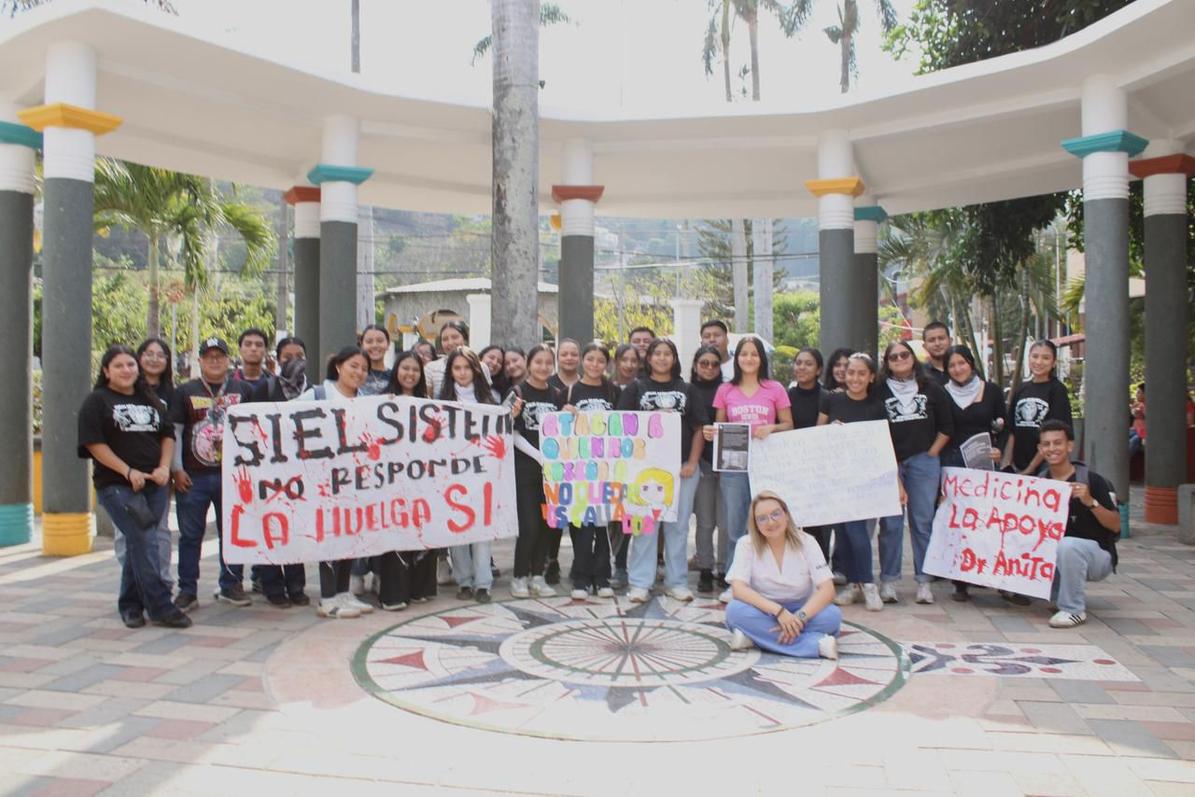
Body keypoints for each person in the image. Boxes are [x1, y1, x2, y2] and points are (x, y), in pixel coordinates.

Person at [79, 345, 191, 629]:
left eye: (130, 365)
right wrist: (127, 471)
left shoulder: (150, 399)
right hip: (117, 485)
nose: (126, 370)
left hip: (155, 484)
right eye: (118, 366)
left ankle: (130, 606)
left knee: (138, 541)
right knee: (144, 537)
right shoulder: (97, 401)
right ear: (106, 371)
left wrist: (164, 467)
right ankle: (161, 606)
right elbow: (94, 444)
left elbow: (168, 435)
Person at [703, 336, 794, 603]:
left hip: (767, 465)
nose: (749, 359)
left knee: (768, 523)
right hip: (734, 467)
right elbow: (719, 427)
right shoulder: (725, 390)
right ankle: (736, 583)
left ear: (761, 358)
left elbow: (788, 424)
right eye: (744, 354)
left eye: (754, 354)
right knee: (735, 527)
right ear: (736, 358)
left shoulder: (775, 388)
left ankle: (768, 582)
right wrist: (711, 433)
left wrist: (772, 427)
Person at [170, 337, 257, 612]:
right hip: (193, 477)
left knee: (232, 534)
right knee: (190, 536)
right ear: (200, 361)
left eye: (220, 356)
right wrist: (176, 469)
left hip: (233, 476)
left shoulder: (243, 390)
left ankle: (231, 584)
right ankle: (187, 590)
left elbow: (255, 430)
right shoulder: (185, 391)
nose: (215, 361)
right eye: (209, 356)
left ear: (228, 359)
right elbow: (176, 432)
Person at [619, 339, 706, 603]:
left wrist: (692, 463)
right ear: (649, 358)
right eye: (657, 353)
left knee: (677, 528)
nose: (662, 358)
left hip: (681, 470)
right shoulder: (636, 388)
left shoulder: (687, 389)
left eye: (667, 353)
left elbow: (699, 429)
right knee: (644, 526)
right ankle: (639, 583)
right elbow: (622, 426)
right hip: (643, 470)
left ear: (674, 358)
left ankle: (676, 582)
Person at [298, 346, 377, 619]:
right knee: (330, 535)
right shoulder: (318, 395)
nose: (359, 372)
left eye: (364, 369)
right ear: (339, 366)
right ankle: (328, 597)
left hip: (355, 480)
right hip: (323, 481)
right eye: (354, 366)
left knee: (350, 535)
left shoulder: (366, 401)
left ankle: (343, 592)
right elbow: (284, 419)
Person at [876, 340, 953, 605]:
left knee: (922, 522)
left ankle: (924, 581)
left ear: (913, 356)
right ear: (886, 363)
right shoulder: (879, 389)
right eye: (893, 357)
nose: (900, 359)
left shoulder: (931, 386)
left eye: (904, 354)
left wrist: (932, 453)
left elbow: (947, 426)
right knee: (891, 523)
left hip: (924, 461)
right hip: (890, 462)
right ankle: (888, 580)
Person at [724, 491, 841, 659]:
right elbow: (739, 589)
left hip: (802, 610)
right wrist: (779, 612)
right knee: (734, 611)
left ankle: (754, 638)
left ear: (786, 515)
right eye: (762, 518)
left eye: (776, 514)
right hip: (763, 610)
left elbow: (827, 590)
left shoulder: (807, 541)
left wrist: (798, 618)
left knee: (832, 616)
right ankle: (815, 645)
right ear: (755, 523)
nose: (770, 522)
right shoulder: (746, 544)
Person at [817, 353, 889, 612]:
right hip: (836, 478)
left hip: (863, 480)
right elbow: (817, 434)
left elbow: (882, 445)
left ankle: (868, 583)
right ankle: (852, 584)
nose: (855, 378)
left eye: (861, 373)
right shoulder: (832, 399)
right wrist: (831, 431)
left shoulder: (877, 407)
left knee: (858, 532)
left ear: (871, 377)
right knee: (843, 534)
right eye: (851, 372)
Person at [939, 344, 1010, 603]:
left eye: (962, 363)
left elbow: (1004, 425)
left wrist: (1000, 450)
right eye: (952, 365)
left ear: (971, 363)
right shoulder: (942, 393)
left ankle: (996, 575)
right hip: (953, 464)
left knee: (990, 521)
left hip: (984, 463)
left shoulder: (991, 390)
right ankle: (960, 581)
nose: (957, 369)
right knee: (959, 522)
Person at [247, 337, 311, 608]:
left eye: (299, 355)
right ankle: (272, 586)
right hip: (269, 472)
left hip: (301, 472)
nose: (294, 361)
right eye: (287, 356)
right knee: (270, 528)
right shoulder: (266, 388)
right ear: (278, 358)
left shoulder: (314, 390)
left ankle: (296, 586)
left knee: (295, 529)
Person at [1036, 420, 1119, 628]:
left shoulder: (1092, 480)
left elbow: (1115, 525)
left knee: (1068, 545)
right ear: (1040, 449)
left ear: (1070, 446)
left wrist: (1091, 501)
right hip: (1058, 556)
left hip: (1097, 556)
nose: (1052, 449)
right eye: (1046, 444)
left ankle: (1073, 610)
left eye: (1058, 443)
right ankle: (1056, 594)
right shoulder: (1039, 483)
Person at [373, 351, 440, 609]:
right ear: (396, 370)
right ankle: (393, 593)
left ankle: (419, 588)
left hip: (423, 479)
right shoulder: (382, 402)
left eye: (415, 370)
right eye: (405, 368)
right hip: (392, 480)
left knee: (422, 531)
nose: (410, 374)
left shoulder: (429, 404)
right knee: (396, 534)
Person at [440, 347, 503, 603]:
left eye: (467, 367)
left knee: (482, 531)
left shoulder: (489, 400)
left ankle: (483, 583)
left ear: (476, 370)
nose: (462, 373)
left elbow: (499, 436)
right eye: (457, 368)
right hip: (452, 476)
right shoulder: (439, 402)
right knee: (457, 530)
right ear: (450, 372)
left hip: (482, 475)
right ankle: (464, 581)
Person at [562, 343, 621, 598]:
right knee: (582, 524)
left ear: (606, 364)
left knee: (603, 525)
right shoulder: (570, 391)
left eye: (600, 360)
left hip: (608, 469)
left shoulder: (614, 391)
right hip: (579, 470)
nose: (595, 364)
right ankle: (581, 578)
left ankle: (603, 577)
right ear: (582, 361)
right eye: (590, 359)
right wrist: (565, 413)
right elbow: (558, 429)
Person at [508, 344, 561, 599]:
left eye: (548, 362)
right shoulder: (516, 392)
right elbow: (510, 432)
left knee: (547, 524)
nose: (543, 367)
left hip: (552, 474)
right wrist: (538, 455)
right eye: (538, 362)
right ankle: (519, 576)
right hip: (525, 471)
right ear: (529, 364)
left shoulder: (557, 394)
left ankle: (538, 575)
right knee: (529, 526)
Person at [131, 337, 176, 591]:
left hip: (160, 473)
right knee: (127, 533)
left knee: (160, 531)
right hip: (126, 476)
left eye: (160, 355)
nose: (154, 359)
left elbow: (172, 434)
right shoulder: (123, 390)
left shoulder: (172, 394)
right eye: (148, 353)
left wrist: (168, 468)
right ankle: (137, 587)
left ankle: (163, 583)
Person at [787, 348, 832, 561]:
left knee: (818, 522)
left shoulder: (828, 398)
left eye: (808, 363)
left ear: (819, 369)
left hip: (818, 468)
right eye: (798, 363)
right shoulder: (786, 396)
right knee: (791, 520)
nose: (802, 367)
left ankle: (820, 566)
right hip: (790, 466)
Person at [690, 345, 727, 594]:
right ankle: (705, 566)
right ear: (695, 366)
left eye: (714, 363)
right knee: (705, 520)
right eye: (704, 363)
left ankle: (724, 567)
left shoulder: (728, 389)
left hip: (728, 462)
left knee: (726, 521)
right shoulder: (687, 390)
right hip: (700, 461)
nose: (710, 368)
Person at [1004, 339, 1073, 475]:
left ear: (1053, 362)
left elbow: (1055, 434)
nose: (1039, 362)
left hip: (1045, 466)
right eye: (1035, 356)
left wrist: (1030, 469)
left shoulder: (1057, 390)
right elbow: (1012, 430)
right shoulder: (1021, 389)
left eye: (1045, 358)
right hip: (1018, 465)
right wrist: (1007, 463)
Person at [543, 337, 581, 584]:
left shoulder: (586, 383)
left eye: (573, 354)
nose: (569, 358)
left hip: (581, 459)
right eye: (564, 354)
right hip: (554, 459)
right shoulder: (550, 384)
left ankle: (580, 561)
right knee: (555, 512)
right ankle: (551, 560)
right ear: (558, 357)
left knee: (578, 511)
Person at [425, 319, 471, 397]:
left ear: (465, 339)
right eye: (445, 339)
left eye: (455, 337)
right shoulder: (431, 368)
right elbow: (426, 399)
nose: (450, 343)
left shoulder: (479, 367)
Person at [359, 324, 393, 397]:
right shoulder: (355, 374)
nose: (375, 345)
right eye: (369, 341)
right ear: (362, 345)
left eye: (380, 341)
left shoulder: (395, 376)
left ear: (388, 344)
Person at [921, 321, 951, 386]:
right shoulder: (919, 373)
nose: (937, 343)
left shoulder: (963, 369)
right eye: (931, 340)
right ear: (924, 346)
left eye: (941, 338)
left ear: (950, 341)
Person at [1128, 383, 1145, 461]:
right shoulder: (1138, 404)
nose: (1136, 394)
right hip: (1134, 430)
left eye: (1139, 392)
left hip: (1142, 434)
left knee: (1136, 439)